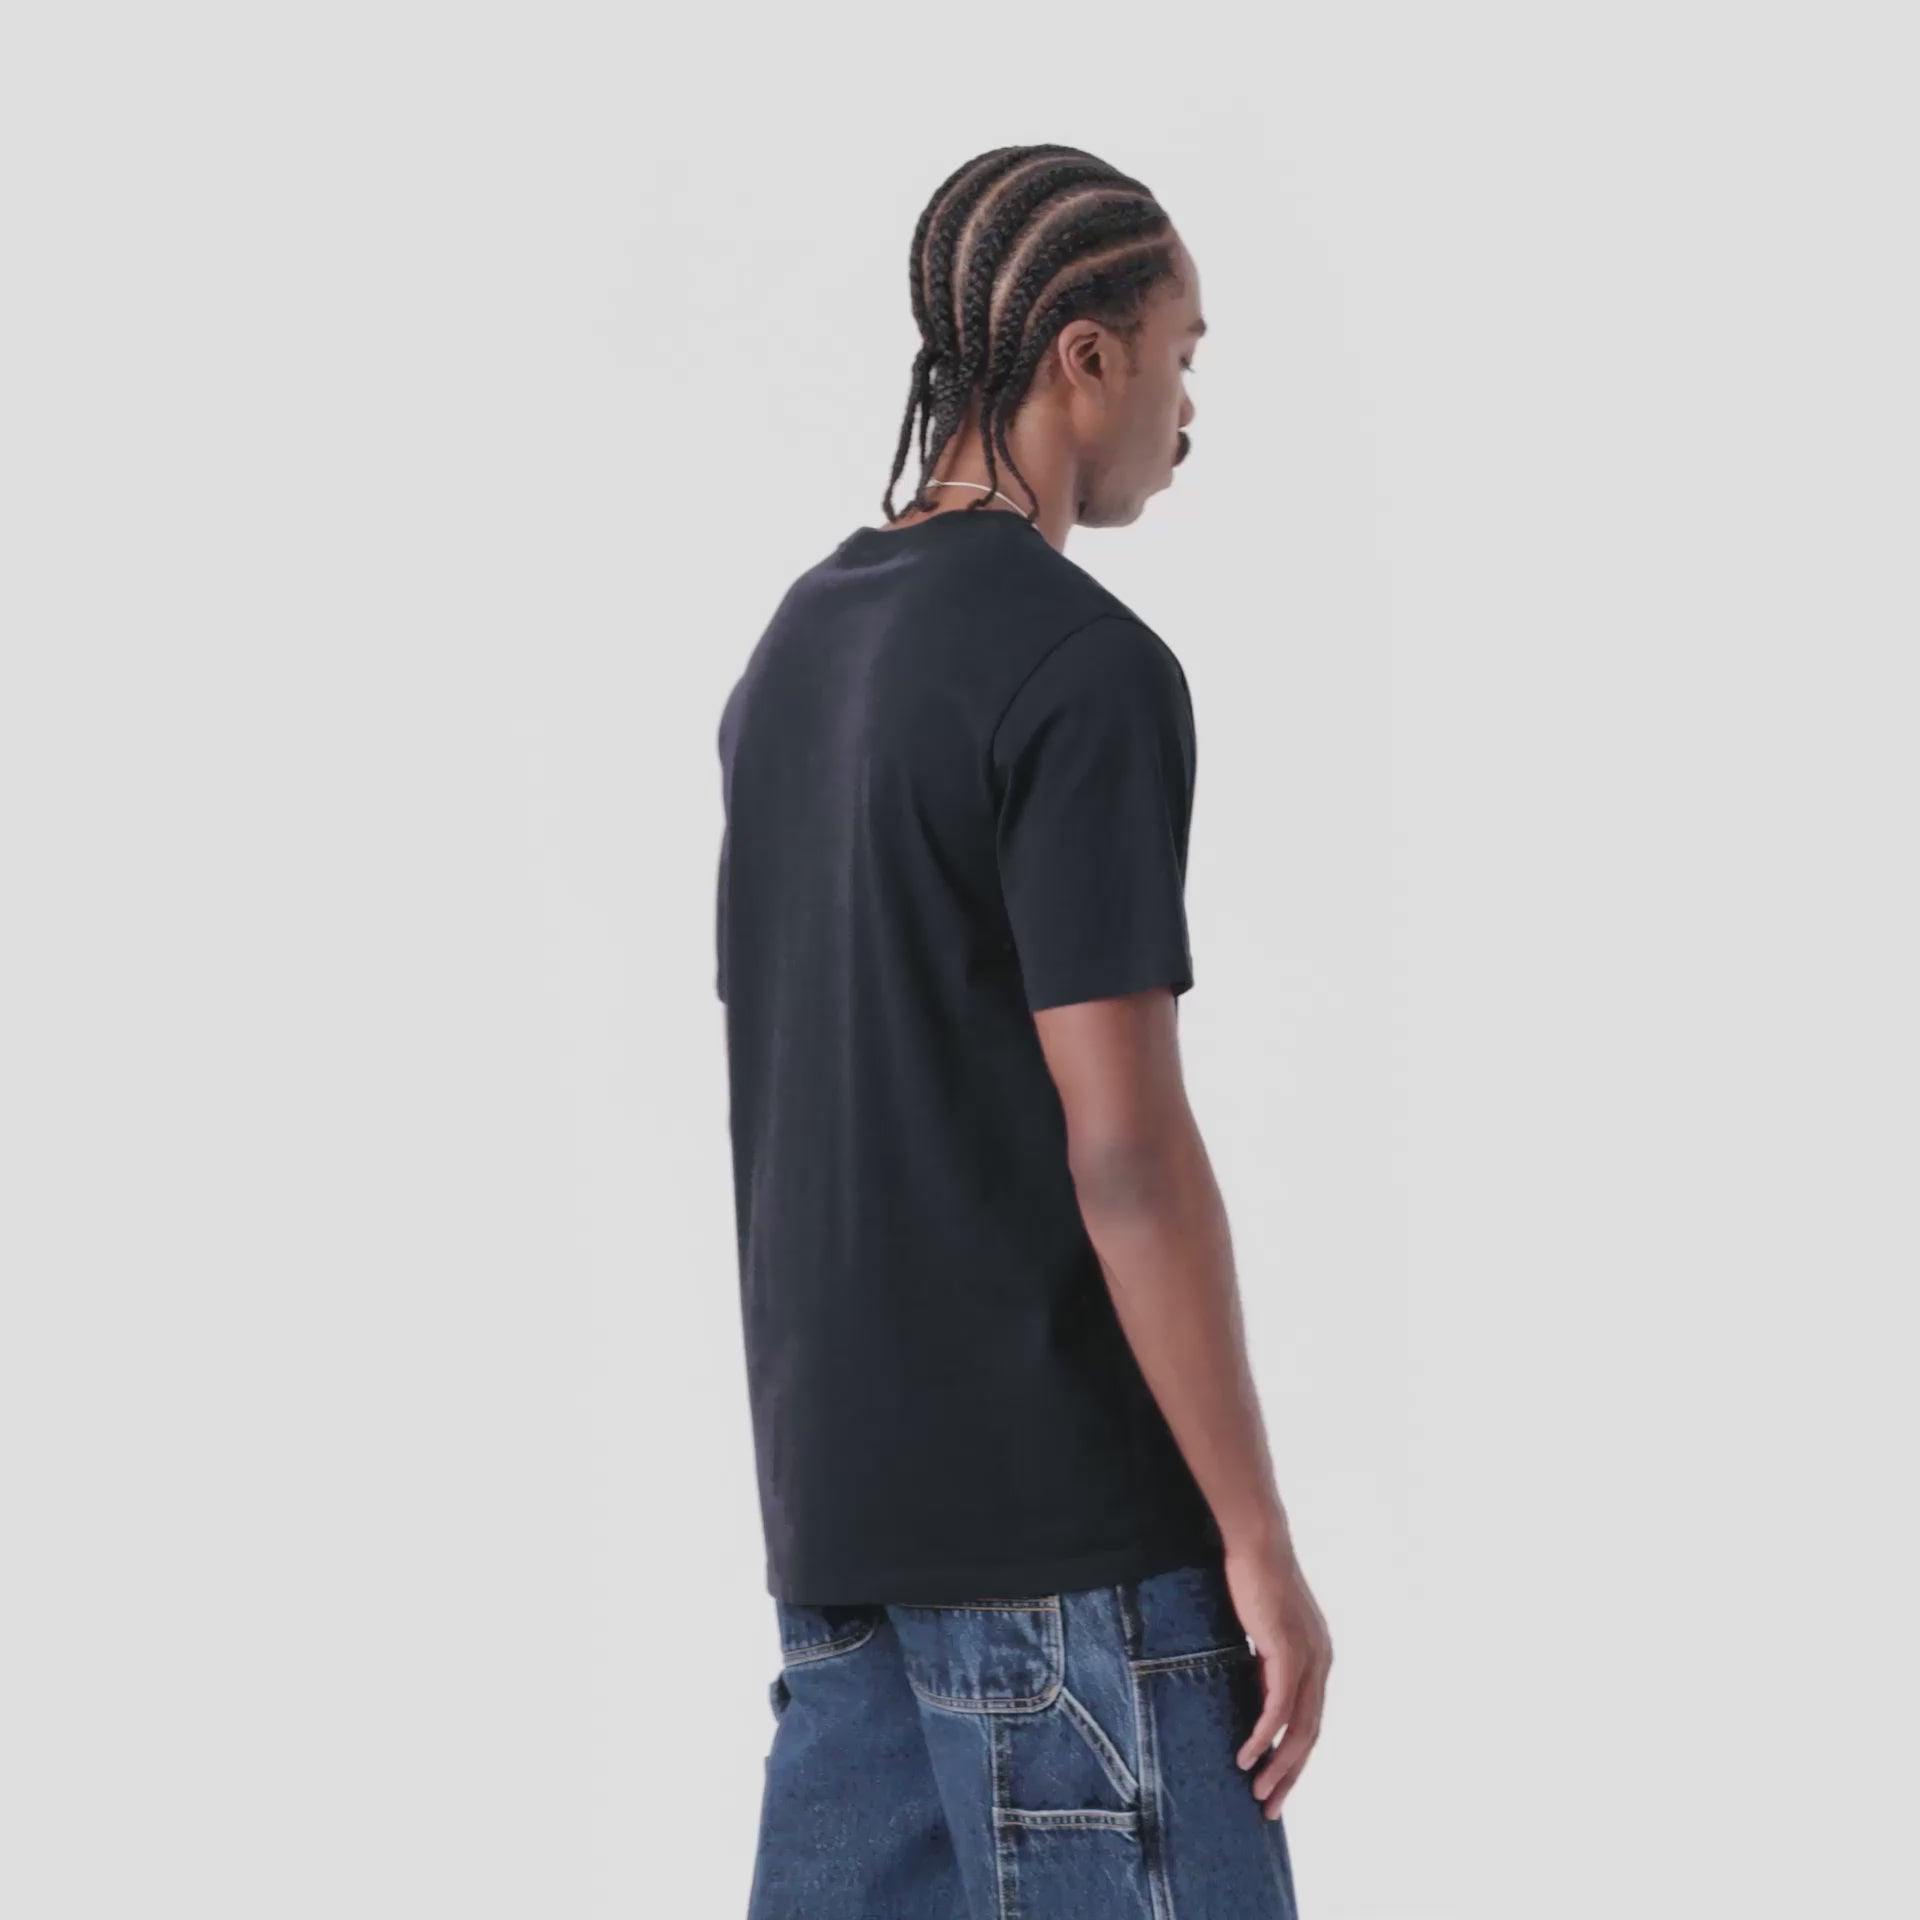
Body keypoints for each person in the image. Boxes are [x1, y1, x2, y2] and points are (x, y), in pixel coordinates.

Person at [714, 143, 1332, 1918]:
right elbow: (1124, 1151)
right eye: (1180, 354)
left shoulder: (794, 653)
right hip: (1076, 1566)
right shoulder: (1084, 669)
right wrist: (1259, 1545)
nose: (1188, 409)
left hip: (843, 1553)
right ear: (1085, 355)